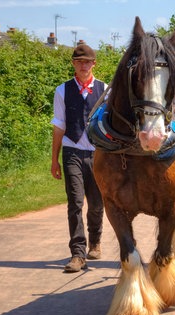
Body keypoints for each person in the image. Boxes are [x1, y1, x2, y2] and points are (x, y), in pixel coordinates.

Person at [50, 43, 106, 273]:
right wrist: (54, 159)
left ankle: (95, 241)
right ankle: (77, 253)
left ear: (94, 64)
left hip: (98, 154)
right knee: (75, 203)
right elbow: (59, 126)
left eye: (88, 61)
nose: (84, 66)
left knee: (96, 203)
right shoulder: (62, 91)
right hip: (71, 150)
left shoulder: (106, 90)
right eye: (79, 61)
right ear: (73, 64)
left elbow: (109, 125)